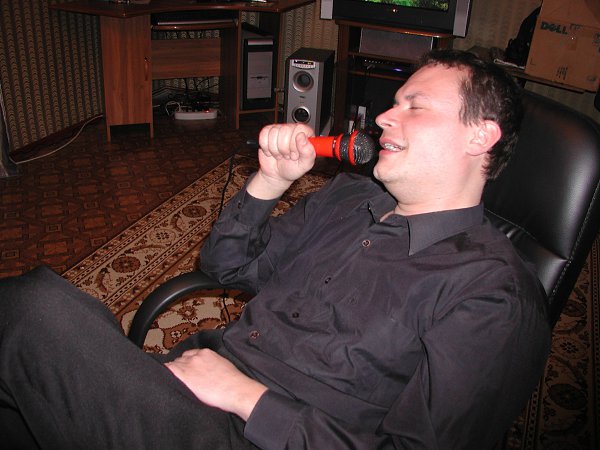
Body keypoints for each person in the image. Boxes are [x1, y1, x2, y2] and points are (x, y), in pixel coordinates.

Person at [0, 49, 551, 449]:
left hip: (257, 434)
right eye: (394, 103)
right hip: (190, 381)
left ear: (480, 136)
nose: (385, 116)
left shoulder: (495, 295)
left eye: (415, 105)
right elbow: (224, 266)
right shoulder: (347, 197)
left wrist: (246, 398)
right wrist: (270, 181)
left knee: (32, 313)